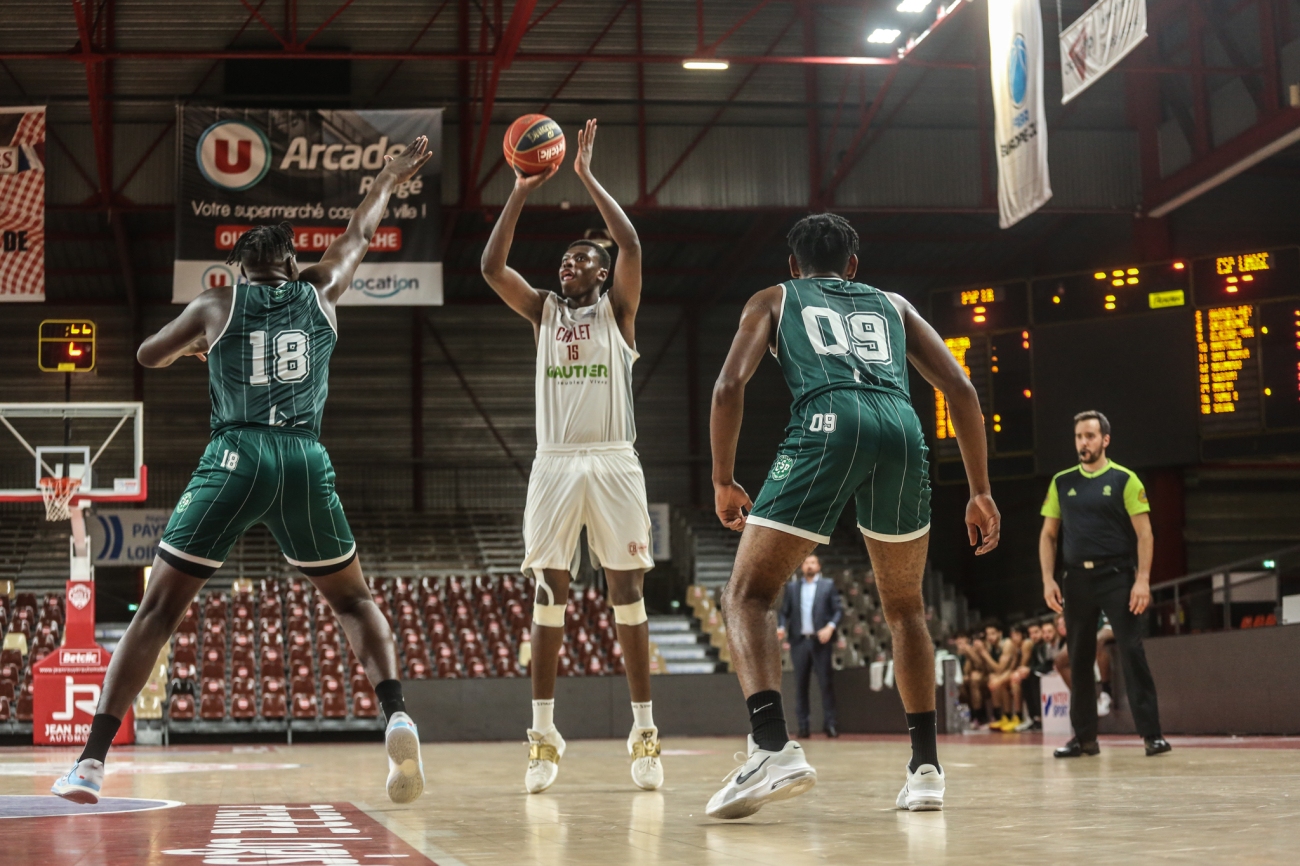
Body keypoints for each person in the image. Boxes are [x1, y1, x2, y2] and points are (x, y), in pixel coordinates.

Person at [51, 138, 436, 806]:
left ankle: (88, 763)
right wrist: (387, 179)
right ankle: (397, 710)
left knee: (159, 611)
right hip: (305, 460)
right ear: (293, 263)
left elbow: (145, 354)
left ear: (237, 268)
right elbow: (360, 231)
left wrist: (197, 346)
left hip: (235, 457)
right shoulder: (322, 292)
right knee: (353, 600)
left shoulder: (214, 303)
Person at [706, 212, 1000, 819]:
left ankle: (771, 747)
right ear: (854, 265)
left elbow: (728, 386)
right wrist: (979, 490)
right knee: (906, 609)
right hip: (902, 427)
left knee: (748, 595)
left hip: (828, 421)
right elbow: (963, 392)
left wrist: (722, 479)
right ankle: (925, 771)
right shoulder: (892, 303)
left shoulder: (774, 297)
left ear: (793, 265)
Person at [479, 119, 662, 794]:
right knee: (549, 590)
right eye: (563, 262)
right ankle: (543, 735)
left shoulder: (619, 312)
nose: (566, 267)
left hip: (615, 460)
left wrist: (584, 175)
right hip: (554, 462)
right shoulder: (543, 313)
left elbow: (632, 241)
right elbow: (491, 267)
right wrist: (522, 190)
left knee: (627, 591)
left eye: (580, 260)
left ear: (605, 273)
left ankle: (643, 728)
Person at [1040, 410, 1171, 758]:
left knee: (1131, 650)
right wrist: (1047, 579)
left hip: (1117, 577)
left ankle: (1151, 734)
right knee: (1080, 658)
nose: (1083, 442)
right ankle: (1084, 739)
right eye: (1079, 436)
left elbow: (1145, 534)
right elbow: (1048, 535)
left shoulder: (1126, 480)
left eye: (1090, 436)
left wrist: (1142, 580)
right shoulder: (1062, 482)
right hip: (1075, 580)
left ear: (1105, 439)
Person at [777, 554, 844, 738]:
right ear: (801, 566)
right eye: (806, 562)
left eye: (813, 562)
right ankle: (803, 726)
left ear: (819, 566)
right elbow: (784, 612)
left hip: (820, 641)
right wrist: (781, 627)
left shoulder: (827, 586)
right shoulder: (792, 588)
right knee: (801, 685)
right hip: (799, 642)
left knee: (826, 684)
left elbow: (838, 610)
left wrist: (830, 628)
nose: (809, 566)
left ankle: (830, 724)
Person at [980, 622, 1018, 731]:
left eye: (993, 633)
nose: (990, 637)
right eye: (988, 634)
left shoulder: (1007, 644)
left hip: (1013, 671)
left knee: (997, 681)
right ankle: (1003, 716)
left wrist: (984, 654)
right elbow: (990, 669)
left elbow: (1000, 668)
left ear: (1000, 633)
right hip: (1005, 674)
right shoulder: (992, 647)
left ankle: (1012, 717)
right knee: (993, 678)